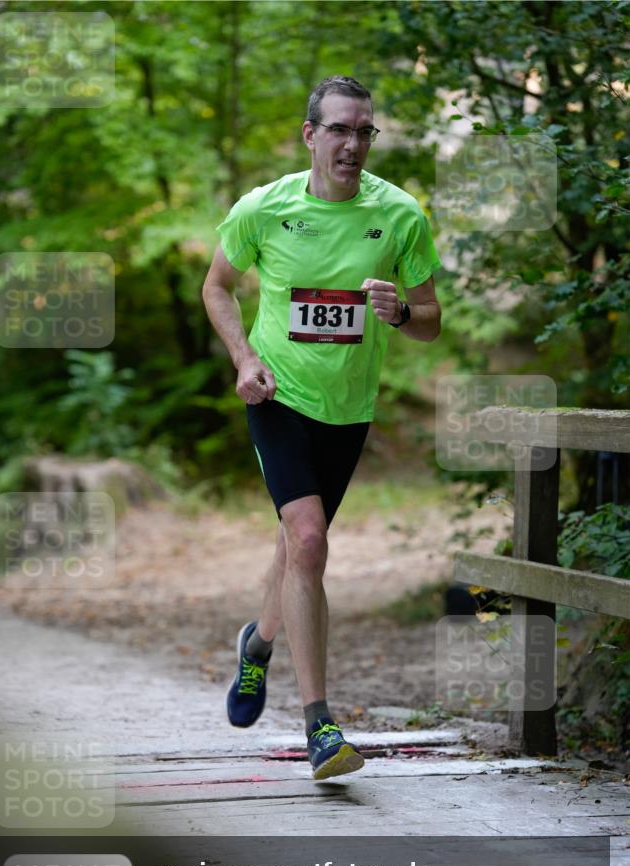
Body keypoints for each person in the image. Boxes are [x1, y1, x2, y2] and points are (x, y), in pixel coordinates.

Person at [202, 76, 441, 780]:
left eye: (364, 131)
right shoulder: (265, 208)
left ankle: (257, 646)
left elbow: (430, 322)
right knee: (308, 541)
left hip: (348, 406)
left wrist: (400, 312)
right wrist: (243, 357)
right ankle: (319, 726)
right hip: (276, 393)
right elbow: (216, 284)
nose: (352, 144)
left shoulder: (398, 216)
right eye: (339, 129)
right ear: (310, 135)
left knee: (295, 548)